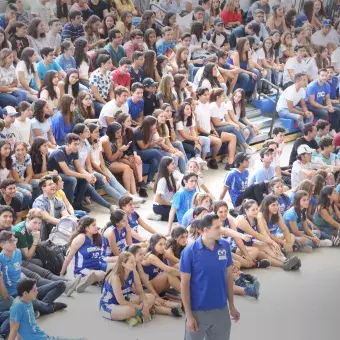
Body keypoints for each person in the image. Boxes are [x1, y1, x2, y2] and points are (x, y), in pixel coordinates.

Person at [180, 213, 240, 340]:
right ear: (205, 230)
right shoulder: (189, 252)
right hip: (198, 311)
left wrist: (232, 305)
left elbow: (228, 277)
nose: (221, 230)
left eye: (221, 226)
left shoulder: (225, 246)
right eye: (217, 227)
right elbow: (184, 285)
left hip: (221, 309)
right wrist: (189, 316)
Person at [9, 277, 84, 340]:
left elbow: (21, 327)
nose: (37, 292)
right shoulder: (17, 306)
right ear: (25, 293)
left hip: (42, 336)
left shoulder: (28, 300)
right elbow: (14, 330)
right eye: (34, 290)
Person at [236, 199, 300, 270]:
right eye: (253, 210)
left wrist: (272, 243)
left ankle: (285, 260)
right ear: (246, 210)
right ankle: (284, 264)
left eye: (257, 209)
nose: (256, 211)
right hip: (238, 244)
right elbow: (256, 235)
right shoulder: (241, 219)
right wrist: (272, 242)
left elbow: (263, 233)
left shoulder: (256, 218)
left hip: (249, 242)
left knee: (267, 245)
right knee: (263, 253)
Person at [99, 251, 155, 325]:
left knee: (151, 297)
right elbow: (121, 302)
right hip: (109, 305)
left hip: (126, 299)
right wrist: (139, 307)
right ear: (123, 264)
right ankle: (139, 314)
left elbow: (140, 291)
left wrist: (145, 304)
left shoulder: (133, 272)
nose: (134, 264)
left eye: (134, 261)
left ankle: (136, 315)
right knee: (129, 311)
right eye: (131, 262)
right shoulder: (115, 277)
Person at [47, 133, 96, 213]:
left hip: (62, 172)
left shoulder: (74, 151)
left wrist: (89, 176)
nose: (77, 146)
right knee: (72, 180)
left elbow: (79, 168)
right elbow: (67, 172)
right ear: (67, 144)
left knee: (84, 180)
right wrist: (86, 176)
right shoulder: (59, 152)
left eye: (78, 144)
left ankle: (77, 204)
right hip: (53, 174)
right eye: (75, 144)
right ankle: (67, 206)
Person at [61, 216, 109, 293]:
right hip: (83, 270)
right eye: (93, 225)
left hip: (98, 266)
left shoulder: (97, 236)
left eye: (96, 225)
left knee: (115, 268)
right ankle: (80, 282)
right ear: (86, 228)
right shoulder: (81, 238)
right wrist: (62, 273)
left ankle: (95, 280)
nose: (96, 227)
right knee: (102, 274)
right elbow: (69, 257)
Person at [32, 175, 69, 241]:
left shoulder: (59, 201)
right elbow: (47, 218)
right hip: (43, 230)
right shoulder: (39, 201)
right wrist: (63, 223)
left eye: (54, 184)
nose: (53, 186)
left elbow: (65, 215)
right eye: (50, 184)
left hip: (56, 227)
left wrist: (70, 221)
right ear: (43, 188)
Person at [306, 68, 340, 133]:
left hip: (320, 104)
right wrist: (325, 108)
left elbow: (327, 98)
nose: (324, 77)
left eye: (326, 75)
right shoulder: (312, 86)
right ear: (318, 76)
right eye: (322, 75)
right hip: (310, 106)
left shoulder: (326, 85)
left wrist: (329, 106)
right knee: (324, 113)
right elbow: (312, 102)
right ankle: (321, 132)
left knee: (337, 110)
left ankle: (333, 130)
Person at [152, 156, 181, 221]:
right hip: (159, 206)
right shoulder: (163, 180)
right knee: (178, 216)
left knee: (182, 211)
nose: (175, 165)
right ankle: (159, 216)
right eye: (172, 164)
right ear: (167, 166)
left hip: (167, 204)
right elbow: (157, 199)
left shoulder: (171, 175)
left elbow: (182, 177)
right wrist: (171, 204)